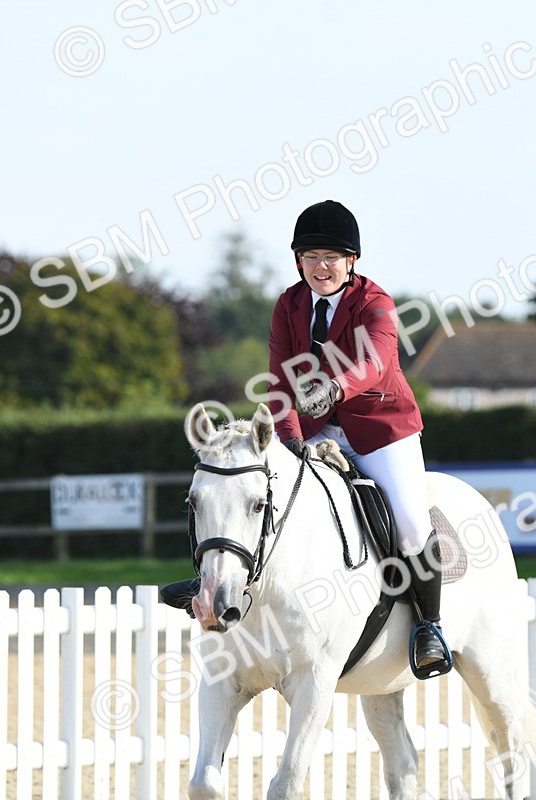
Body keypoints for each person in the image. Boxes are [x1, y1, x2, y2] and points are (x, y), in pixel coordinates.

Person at [162, 199, 451, 678]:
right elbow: (278, 381)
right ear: (298, 261)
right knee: (249, 490)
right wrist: (292, 438)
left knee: (409, 524)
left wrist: (335, 387)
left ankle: (429, 627)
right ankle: (212, 583)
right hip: (317, 428)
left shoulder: (374, 303)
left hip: (382, 430)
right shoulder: (289, 305)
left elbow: (376, 361)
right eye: (311, 256)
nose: (321, 266)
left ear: (351, 261)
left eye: (331, 257)